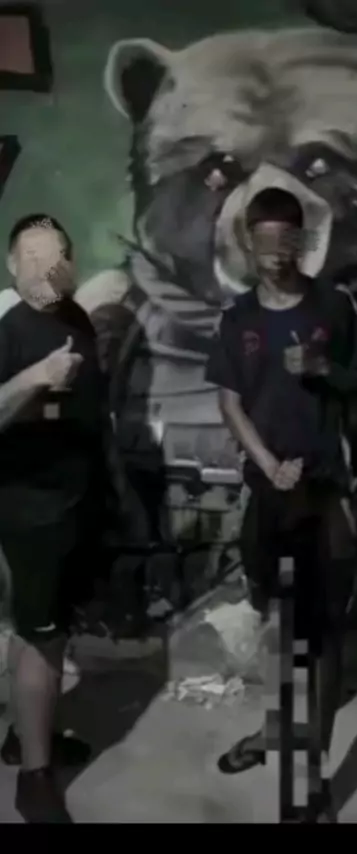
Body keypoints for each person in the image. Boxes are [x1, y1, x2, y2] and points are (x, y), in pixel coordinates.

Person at [205, 187, 357, 821]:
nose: (276, 253)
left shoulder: (335, 305)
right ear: (249, 244)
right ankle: (275, 731)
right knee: (279, 630)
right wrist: (269, 464)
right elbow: (229, 402)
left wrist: (325, 367)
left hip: (323, 494)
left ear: (301, 241)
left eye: (287, 240)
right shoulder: (238, 318)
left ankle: (313, 780)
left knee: (323, 637)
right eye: (264, 240)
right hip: (268, 496)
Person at [0, 214, 110, 823]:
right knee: (40, 640)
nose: (47, 267)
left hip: (72, 504)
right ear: (12, 266)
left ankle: (26, 735)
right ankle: (34, 778)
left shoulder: (76, 319)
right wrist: (37, 377)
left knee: (45, 632)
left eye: (58, 255)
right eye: (34, 256)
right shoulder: (10, 330)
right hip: (31, 511)